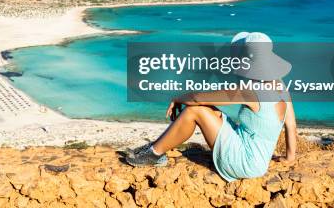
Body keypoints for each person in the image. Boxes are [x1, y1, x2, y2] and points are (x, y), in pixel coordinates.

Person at [125, 32, 298, 182]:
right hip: (258, 161)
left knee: (195, 110)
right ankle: (155, 147)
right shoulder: (279, 85)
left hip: (244, 161)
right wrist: (290, 158)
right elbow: (290, 124)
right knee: (212, 110)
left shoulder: (252, 91)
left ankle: (154, 154)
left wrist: (178, 98)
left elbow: (198, 98)